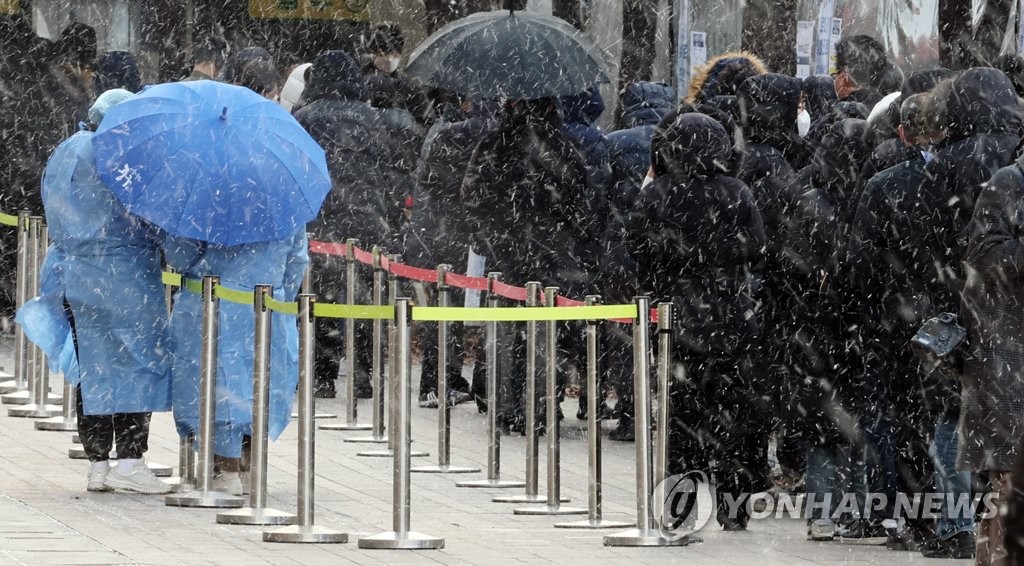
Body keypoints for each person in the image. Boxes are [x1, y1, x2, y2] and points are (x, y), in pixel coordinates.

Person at [25, 88, 172, 494]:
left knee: (92, 369)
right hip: (124, 278)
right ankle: (130, 459)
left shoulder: (65, 152)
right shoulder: (119, 157)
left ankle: (97, 464)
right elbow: (147, 216)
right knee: (137, 364)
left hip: (74, 274)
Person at [626, 112, 765, 530]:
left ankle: (679, 506)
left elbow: (635, 248)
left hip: (676, 320)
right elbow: (756, 247)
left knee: (681, 416)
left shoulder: (657, 196)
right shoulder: (737, 192)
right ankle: (734, 505)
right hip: (729, 319)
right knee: (732, 413)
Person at [461, 97, 596, 432]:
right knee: (548, 331)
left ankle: (507, 402)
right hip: (553, 253)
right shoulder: (565, 146)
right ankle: (539, 404)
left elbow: (472, 194)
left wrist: (489, 231)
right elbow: (583, 200)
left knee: (507, 327)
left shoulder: (494, 144)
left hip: (507, 250)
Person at [294, 50, 414, 400]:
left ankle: (322, 374)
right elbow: (393, 171)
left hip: (321, 222)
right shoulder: (375, 119)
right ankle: (364, 373)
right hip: (368, 221)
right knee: (365, 299)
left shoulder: (305, 118)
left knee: (319, 299)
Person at [785, 118, 876, 542]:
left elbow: (786, 268)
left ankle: (823, 512)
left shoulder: (809, 202)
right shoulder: (869, 198)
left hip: (815, 329)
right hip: (857, 328)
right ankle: (858, 508)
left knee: (823, 424)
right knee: (855, 422)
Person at [164, 231, 307, 496]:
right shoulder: (285, 207)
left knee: (213, 388)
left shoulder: (206, 203)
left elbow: (181, 256)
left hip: (209, 303)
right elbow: (297, 261)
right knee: (258, 387)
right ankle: (247, 464)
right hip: (267, 304)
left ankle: (224, 468)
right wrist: (278, 293)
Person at [601, 81, 675, 441]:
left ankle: (632, 415)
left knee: (625, 337)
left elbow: (598, 197)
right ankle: (669, 411)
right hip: (666, 255)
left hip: (620, 253)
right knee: (667, 334)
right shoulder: (676, 139)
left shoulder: (615, 142)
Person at [360, 23, 430, 124]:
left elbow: (425, 117)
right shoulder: (362, 82)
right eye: (381, 53)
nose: (389, 59)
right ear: (373, 54)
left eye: (393, 53)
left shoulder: (407, 86)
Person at [833, 35, 890, 108]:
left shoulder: (837, 115)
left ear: (845, 76)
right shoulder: (893, 111)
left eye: (837, 72)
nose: (835, 79)